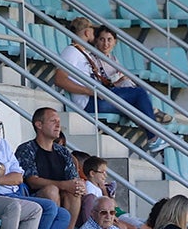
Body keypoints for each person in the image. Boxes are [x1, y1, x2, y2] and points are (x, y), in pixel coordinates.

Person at [55, 18, 168, 150]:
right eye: (93, 31)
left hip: (97, 96)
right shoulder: (71, 51)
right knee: (139, 94)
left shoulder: (83, 52)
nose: (94, 34)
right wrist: (90, 91)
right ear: (87, 32)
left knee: (138, 99)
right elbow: (59, 79)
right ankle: (154, 137)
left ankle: (155, 135)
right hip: (89, 102)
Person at [15, 107, 84, 229]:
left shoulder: (63, 152)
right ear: (39, 125)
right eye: (53, 121)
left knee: (74, 191)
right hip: (33, 198)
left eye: (59, 122)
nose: (58, 125)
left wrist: (79, 185)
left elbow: (73, 180)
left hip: (61, 197)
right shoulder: (26, 149)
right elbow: (32, 181)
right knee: (51, 190)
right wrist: (63, 185)